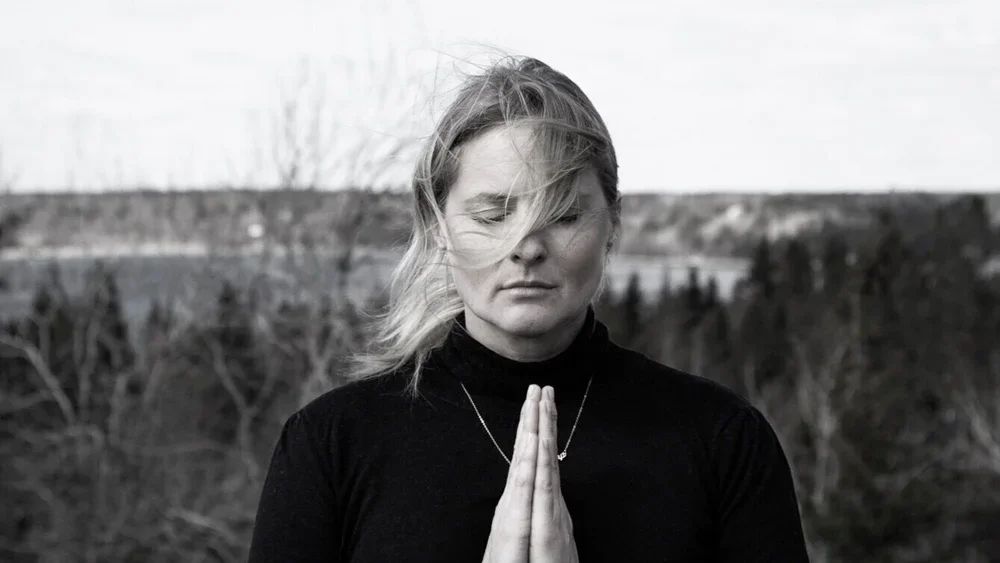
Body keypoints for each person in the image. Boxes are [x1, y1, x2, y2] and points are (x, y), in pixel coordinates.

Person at [248, 56, 810, 562]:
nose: (527, 247)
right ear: (439, 227)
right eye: (493, 215)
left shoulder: (722, 441)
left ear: (612, 224)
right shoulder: (332, 445)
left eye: (563, 214)